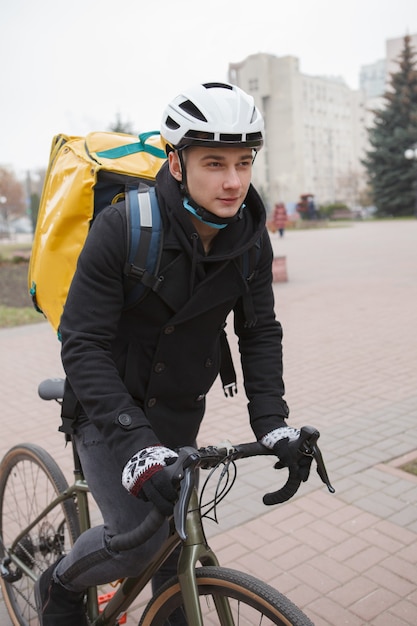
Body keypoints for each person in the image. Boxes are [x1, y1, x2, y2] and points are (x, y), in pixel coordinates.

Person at [35, 81, 312, 626]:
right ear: (177, 162)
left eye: (243, 162)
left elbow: (259, 331)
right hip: (105, 409)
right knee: (136, 544)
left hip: (180, 406)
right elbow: (83, 343)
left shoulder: (252, 239)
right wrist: (137, 444)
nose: (233, 182)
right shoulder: (122, 228)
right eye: (214, 163)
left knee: (176, 540)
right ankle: (61, 584)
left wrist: (273, 421)